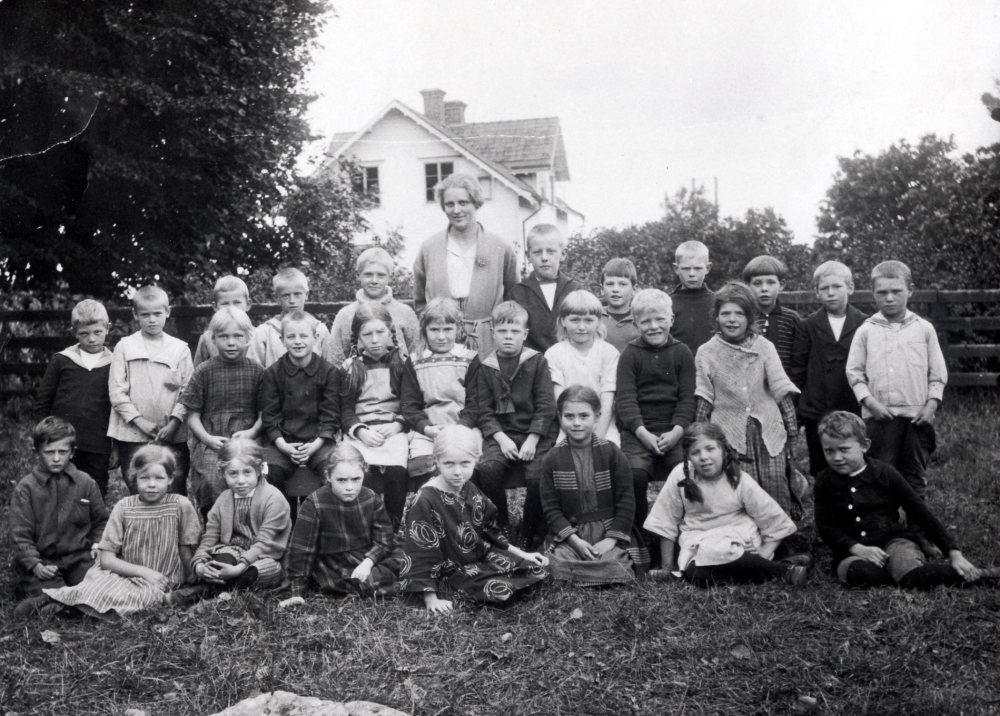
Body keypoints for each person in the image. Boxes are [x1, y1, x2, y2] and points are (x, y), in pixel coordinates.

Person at [814, 411, 998, 589]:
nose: (836, 457)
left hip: (893, 542)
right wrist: (857, 549)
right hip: (853, 552)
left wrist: (953, 553)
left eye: (844, 449)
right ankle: (897, 574)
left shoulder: (885, 473)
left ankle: (980, 575)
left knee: (910, 575)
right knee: (863, 574)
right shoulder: (824, 480)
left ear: (864, 445)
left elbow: (921, 513)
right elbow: (826, 526)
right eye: (829, 451)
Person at [401, 426, 549, 613]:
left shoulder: (467, 486)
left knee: (536, 568)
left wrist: (523, 554)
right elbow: (420, 550)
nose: (457, 472)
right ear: (437, 461)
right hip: (448, 569)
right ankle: (482, 585)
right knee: (498, 591)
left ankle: (494, 578)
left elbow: (490, 530)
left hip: (478, 555)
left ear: (476, 460)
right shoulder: (425, 499)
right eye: (448, 464)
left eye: (465, 463)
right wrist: (431, 599)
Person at [43, 445, 203, 618]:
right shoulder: (124, 507)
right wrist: (144, 572)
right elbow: (106, 559)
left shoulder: (180, 505)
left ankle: (73, 610)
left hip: (161, 579)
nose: (151, 485)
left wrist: (193, 577)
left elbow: (185, 548)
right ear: (134, 477)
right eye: (144, 478)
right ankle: (62, 603)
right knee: (97, 585)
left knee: (145, 597)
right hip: (126, 573)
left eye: (159, 478)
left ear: (171, 478)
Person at [644, 423, 805, 588]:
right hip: (698, 539)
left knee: (722, 552)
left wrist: (764, 553)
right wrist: (667, 568)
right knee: (694, 574)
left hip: (737, 538)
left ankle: (783, 571)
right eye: (695, 452)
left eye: (710, 449)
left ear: (723, 449)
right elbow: (666, 520)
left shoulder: (738, 478)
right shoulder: (681, 475)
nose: (704, 457)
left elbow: (774, 519)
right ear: (688, 457)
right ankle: (775, 569)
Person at [694, 282, 801, 518]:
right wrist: (699, 436)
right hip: (729, 432)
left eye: (739, 313)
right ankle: (748, 541)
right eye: (726, 313)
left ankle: (784, 539)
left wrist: (791, 431)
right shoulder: (707, 351)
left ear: (750, 316)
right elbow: (704, 396)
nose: (732, 320)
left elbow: (781, 390)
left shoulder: (764, 347)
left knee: (775, 481)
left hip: (767, 429)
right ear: (717, 316)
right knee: (742, 484)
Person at [846, 260, 946, 500]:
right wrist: (871, 404)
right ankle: (884, 530)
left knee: (914, 477)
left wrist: (931, 405)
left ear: (910, 290)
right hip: (880, 417)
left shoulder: (923, 329)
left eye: (896, 291)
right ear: (873, 294)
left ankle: (917, 532)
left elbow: (937, 372)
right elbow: (854, 373)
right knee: (880, 475)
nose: (889, 298)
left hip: (917, 418)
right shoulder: (866, 331)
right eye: (882, 293)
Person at [460, 301, 558, 546]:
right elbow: (484, 410)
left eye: (514, 332)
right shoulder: (486, 367)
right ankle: (500, 524)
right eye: (502, 331)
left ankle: (530, 530)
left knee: (538, 477)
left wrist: (533, 439)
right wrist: (500, 438)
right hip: (502, 433)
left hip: (535, 434)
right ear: (493, 332)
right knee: (489, 469)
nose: (508, 337)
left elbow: (546, 405)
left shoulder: (537, 362)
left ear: (525, 334)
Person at [540, 386, 649, 585]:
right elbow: (551, 509)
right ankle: (593, 574)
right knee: (556, 563)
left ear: (597, 417)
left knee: (617, 562)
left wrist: (611, 540)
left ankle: (586, 573)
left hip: (608, 531)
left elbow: (626, 500)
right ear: (559, 417)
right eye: (569, 416)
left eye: (584, 416)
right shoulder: (552, 458)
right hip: (572, 535)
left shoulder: (611, 452)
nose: (576, 423)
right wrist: (574, 541)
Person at [614, 289, 696, 537]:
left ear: (671, 319)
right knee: (634, 474)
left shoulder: (682, 352)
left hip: (674, 431)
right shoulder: (630, 354)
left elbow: (687, 399)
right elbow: (626, 400)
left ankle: (681, 533)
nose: (654, 326)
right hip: (639, 432)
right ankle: (639, 536)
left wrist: (677, 431)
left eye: (660, 319)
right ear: (635, 323)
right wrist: (642, 433)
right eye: (645, 321)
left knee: (685, 474)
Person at [10, 418, 109, 617]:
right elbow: (19, 535)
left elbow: (101, 522)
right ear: (36, 452)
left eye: (62, 452)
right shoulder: (26, 488)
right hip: (44, 561)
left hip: (79, 558)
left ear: (72, 452)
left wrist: (97, 545)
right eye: (49, 452)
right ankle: (53, 599)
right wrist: (35, 564)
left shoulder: (86, 482)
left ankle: (63, 602)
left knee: (101, 585)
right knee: (49, 585)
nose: (56, 458)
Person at [413, 172, 519, 355]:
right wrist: (437, 328)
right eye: (450, 204)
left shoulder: (500, 248)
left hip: (489, 342)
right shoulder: (429, 248)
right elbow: (420, 301)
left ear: (476, 203)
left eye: (463, 203)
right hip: (442, 342)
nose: (456, 210)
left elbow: (514, 299)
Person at [286, 443, 405, 597]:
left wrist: (368, 562)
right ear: (328, 476)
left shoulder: (370, 497)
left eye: (356, 479)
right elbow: (301, 550)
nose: (349, 487)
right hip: (336, 563)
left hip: (369, 553)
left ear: (364, 472)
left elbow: (384, 539)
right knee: (369, 582)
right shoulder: (314, 503)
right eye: (341, 480)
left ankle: (401, 575)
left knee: (409, 552)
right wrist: (297, 592)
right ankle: (400, 580)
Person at [107, 285, 192, 495]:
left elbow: (189, 392)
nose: (152, 320)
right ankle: (142, 527)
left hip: (171, 435)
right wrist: (140, 421)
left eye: (157, 314)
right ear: (135, 315)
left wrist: (174, 423)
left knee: (174, 487)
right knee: (140, 488)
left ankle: (175, 527)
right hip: (133, 435)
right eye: (145, 315)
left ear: (168, 312)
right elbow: (117, 392)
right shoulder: (124, 346)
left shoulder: (180, 348)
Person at [180, 307, 264, 518]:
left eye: (237, 336)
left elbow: (265, 414)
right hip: (212, 442)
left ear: (248, 338)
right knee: (211, 477)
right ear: (213, 339)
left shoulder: (257, 371)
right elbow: (192, 415)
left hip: (248, 439)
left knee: (249, 474)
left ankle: (248, 525)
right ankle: (215, 525)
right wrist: (207, 439)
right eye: (224, 336)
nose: (231, 342)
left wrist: (252, 432)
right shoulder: (204, 371)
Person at [789, 261, 868, 477]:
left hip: (854, 405)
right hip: (817, 409)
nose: (830, 293)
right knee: (822, 464)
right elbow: (798, 368)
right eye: (824, 289)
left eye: (837, 287)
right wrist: (796, 408)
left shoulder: (865, 324)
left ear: (850, 288)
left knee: (855, 460)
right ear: (816, 292)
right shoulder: (808, 325)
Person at [259, 311, 340, 512]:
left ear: (315, 338)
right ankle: (283, 526)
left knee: (331, 471)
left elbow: (330, 416)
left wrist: (315, 445)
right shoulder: (272, 373)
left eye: (304, 336)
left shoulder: (328, 372)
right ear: (282, 340)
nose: (298, 342)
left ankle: (320, 526)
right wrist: (283, 445)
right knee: (271, 474)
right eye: (291, 337)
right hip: (282, 443)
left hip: (318, 441)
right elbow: (270, 416)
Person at [340, 302, 411, 527]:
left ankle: (392, 526)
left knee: (397, 474)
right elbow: (344, 409)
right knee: (364, 474)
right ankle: (366, 527)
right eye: (367, 334)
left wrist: (397, 426)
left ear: (391, 332)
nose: (374, 340)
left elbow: (410, 404)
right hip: (361, 432)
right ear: (358, 338)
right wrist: (360, 431)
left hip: (393, 430)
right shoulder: (351, 368)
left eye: (380, 332)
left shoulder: (402, 365)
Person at [34, 299, 114, 497]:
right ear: (74, 332)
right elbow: (43, 401)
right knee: (58, 489)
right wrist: (42, 437)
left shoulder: (115, 363)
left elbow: (117, 407)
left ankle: (94, 528)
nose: (92, 339)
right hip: (61, 442)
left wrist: (116, 447)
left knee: (95, 490)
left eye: (98, 332)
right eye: (84, 334)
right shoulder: (62, 359)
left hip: (98, 443)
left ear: (107, 328)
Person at [192, 438, 291, 590]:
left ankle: (205, 591)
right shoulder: (223, 499)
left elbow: (265, 543)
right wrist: (199, 564)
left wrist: (239, 568)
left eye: (247, 472)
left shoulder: (273, 499)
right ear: (222, 473)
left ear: (259, 470)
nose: (240, 480)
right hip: (233, 551)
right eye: (233, 474)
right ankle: (220, 586)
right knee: (218, 562)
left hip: (265, 556)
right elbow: (210, 537)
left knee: (255, 572)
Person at [400, 297, 479, 481]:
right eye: (434, 330)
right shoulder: (415, 362)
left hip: (463, 428)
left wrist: (460, 429)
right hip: (427, 432)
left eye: (447, 329)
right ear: (425, 330)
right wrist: (427, 429)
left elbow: (476, 403)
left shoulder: (469, 359)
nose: (441, 336)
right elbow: (410, 406)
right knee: (423, 467)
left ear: (458, 329)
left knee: (469, 468)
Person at [544, 289, 620, 445]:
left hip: (603, 425)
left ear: (598, 321)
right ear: (563, 321)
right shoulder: (554, 354)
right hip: (568, 425)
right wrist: (572, 431)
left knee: (608, 456)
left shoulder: (609, 353)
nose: (581, 327)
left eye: (588, 320)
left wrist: (596, 438)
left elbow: (607, 402)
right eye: (574, 320)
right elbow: (559, 400)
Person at [322, 247, 420, 368]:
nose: (374, 280)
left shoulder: (406, 313)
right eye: (368, 274)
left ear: (390, 276)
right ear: (358, 275)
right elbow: (335, 360)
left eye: (381, 275)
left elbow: (416, 355)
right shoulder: (345, 315)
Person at [505, 224, 586, 353]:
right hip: (532, 367)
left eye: (550, 251)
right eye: (537, 252)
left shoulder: (575, 290)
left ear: (563, 253)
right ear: (528, 256)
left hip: (571, 365)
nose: (544, 258)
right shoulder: (517, 294)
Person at [249, 267, 329, 368]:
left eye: (297, 294)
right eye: (286, 295)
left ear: (307, 295)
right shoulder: (265, 332)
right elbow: (253, 369)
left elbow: (330, 366)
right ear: (277, 298)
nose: (292, 300)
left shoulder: (320, 330)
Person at [742, 255, 803, 377]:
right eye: (757, 283)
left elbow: (799, 359)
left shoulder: (791, 319)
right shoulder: (743, 318)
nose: (764, 289)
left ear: (781, 284)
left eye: (771, 282)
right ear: (748, 285)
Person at [192, 275, 253, 367]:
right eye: (225, 303)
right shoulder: (207, 339)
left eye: (237, 303)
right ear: (215, 307)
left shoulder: (258, 335)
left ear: (248, 304)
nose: (231, 308)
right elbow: (197, 371)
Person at [668, 240, 715, 355]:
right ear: (676, 269)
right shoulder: (666, 303)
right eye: (686, 268)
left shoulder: (718, 302)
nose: (692, 274)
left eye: (698, 268)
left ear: (707, 268)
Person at [600, 258, 640, 353]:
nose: (615, 289)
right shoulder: (595, 317)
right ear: (602, 289)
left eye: (622, 284)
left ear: (634, 289)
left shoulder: (640, 318)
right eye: (610, 284)